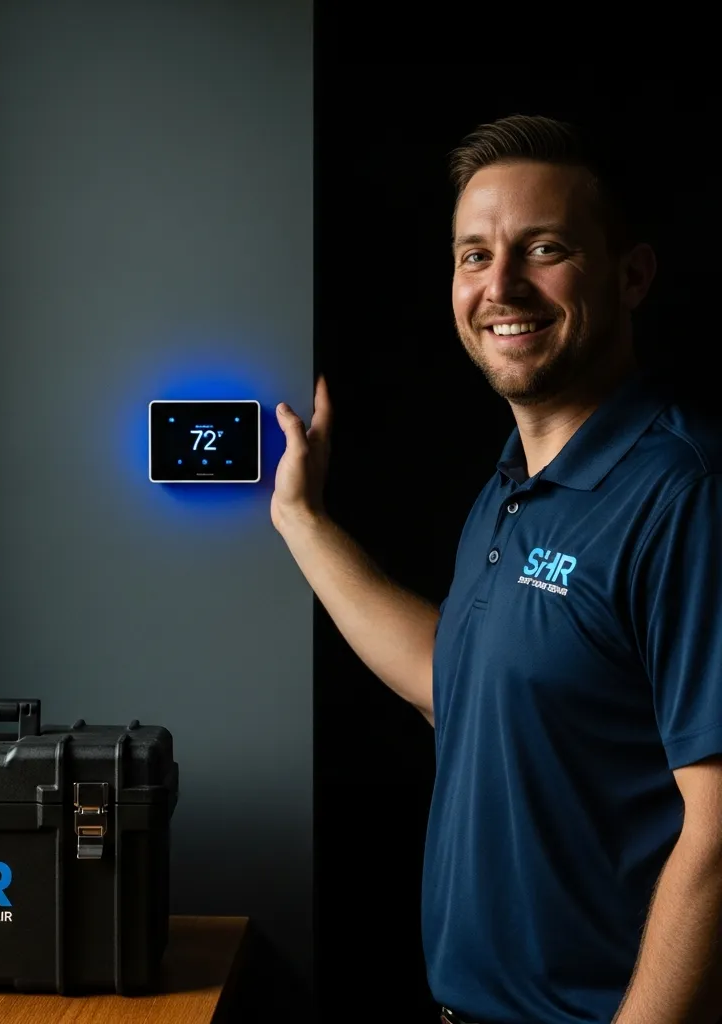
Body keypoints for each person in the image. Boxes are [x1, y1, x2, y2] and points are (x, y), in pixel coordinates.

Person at [272, 114, 722, 1024]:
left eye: (544, 249)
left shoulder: (686, 493)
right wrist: (301, 520)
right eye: (474, 255)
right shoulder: (510, 486)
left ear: (632, 275)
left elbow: (720, 834)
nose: (500, 285)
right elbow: (461, 684)